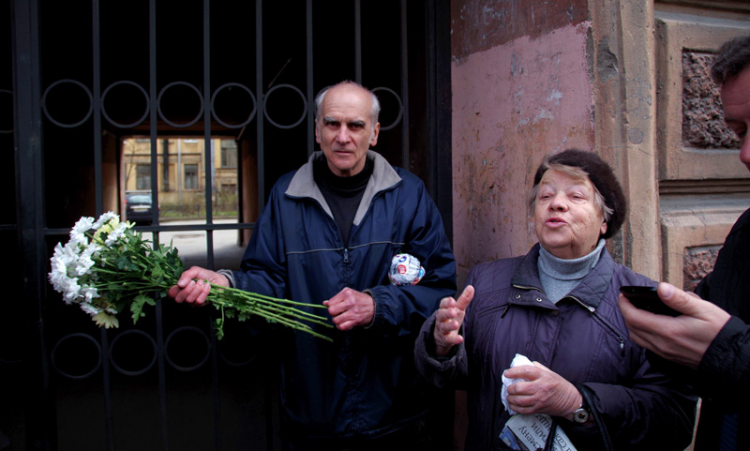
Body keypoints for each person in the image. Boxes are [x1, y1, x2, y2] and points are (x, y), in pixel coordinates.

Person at [168, 80, 457, 449]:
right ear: (316, 130)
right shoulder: (286, 196)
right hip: (312, 410)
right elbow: (269, 281)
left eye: (355, 125)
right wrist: (228, 287)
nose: (343, 136)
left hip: (395, 409)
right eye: (332, 124)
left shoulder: (409, 195)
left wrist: (377, 306)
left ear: (375, 133)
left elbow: (439, 288)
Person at [414, 149, 697, 450]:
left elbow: (673, 422)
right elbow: (447, 379)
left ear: (605, 220)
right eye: (545, 196)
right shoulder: (486, 281)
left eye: (576, 197)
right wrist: (440, 345)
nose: (556, 204)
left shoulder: (642, 302)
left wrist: (577, 403)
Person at [619, 34, 750, 450]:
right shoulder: (748, 233)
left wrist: (729, 355)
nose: (746, 154)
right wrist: (664, 336)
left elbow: (728, 351)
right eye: (739, 132)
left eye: (575, 196)